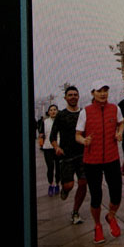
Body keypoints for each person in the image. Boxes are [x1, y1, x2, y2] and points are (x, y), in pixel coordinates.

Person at [76, 81, 124, 242]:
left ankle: (111, 216)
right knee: (96, 196)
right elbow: (78, 134)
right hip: (92, 160)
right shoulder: (86, 111)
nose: (103, 94)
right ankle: (97, 226)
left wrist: (119, 133)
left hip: (112, 158)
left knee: (116, 194)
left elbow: (121, 123)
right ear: (93, 93)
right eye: (99, 91)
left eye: (105, 90)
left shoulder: (115, 108)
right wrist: (84, 141)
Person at [50, 86, 88, 225]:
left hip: (83, 154)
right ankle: (64, 190)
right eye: (70, 95)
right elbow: (53, 136)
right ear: (65, 98)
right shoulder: (61, 115)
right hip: (66, 156)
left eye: (75, 94)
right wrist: (56, 147)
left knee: (83, 183)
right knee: (69, 185)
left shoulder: (84, 113)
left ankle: (75, 212)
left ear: (78, 97)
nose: (73, 97)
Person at [38, 105, 60, 196]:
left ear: (57, 111)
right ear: (48, 112)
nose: (53, 111)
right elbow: (41, 133)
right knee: (50, 167)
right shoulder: (45, 122)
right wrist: (41, 137)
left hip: (58, 147)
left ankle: (58, 184)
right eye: (51, 110)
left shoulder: (61, 122)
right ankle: (51, 184)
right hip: (48, 147)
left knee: (58, 168)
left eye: (55, 110)